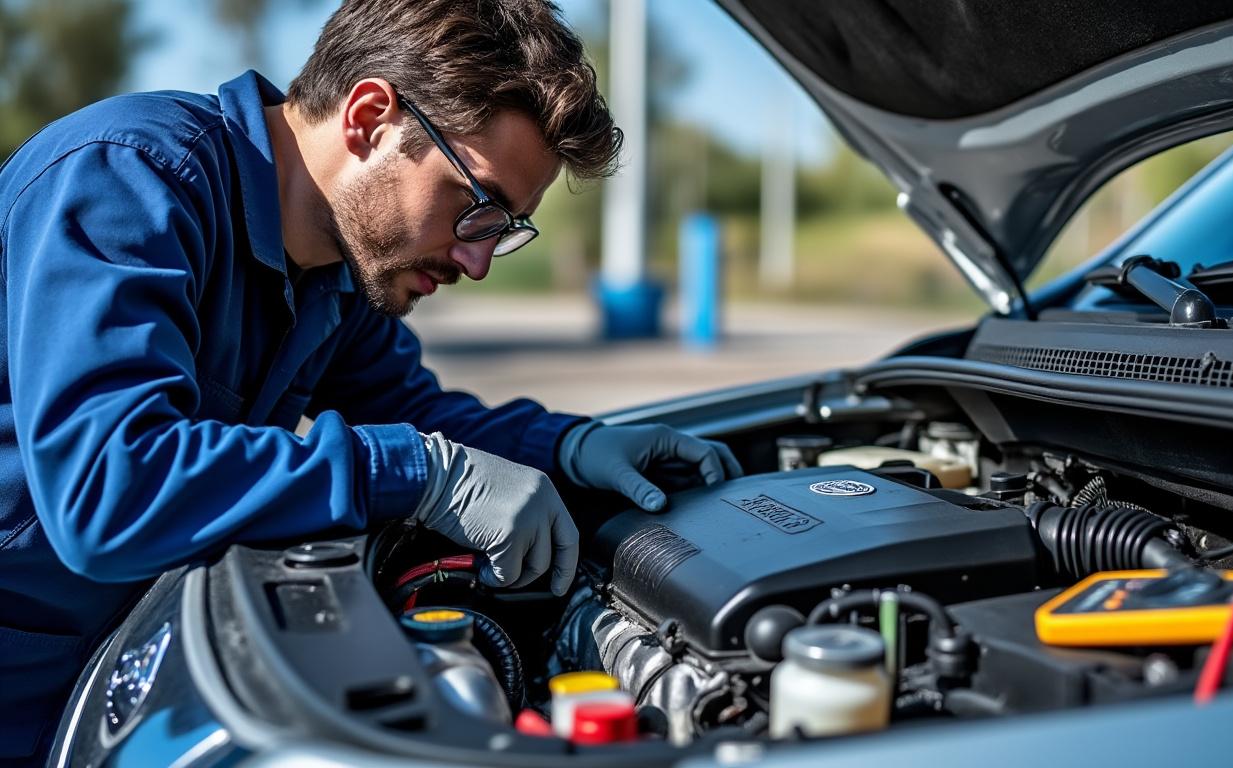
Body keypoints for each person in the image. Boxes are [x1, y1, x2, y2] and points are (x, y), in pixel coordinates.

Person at [0, 0, 741, 761]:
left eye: (506, 229)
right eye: (477, 206)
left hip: (107, 680)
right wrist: (418, 473)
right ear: (368, 118)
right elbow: (110, 487)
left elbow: (411, 412)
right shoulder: (130, 177)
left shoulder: (337, 277)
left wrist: (571, 446)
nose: (478, 261)